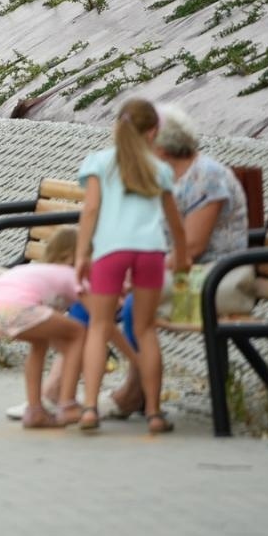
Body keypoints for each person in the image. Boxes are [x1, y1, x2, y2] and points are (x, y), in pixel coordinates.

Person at [105, 105, 253, 417]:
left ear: (157, 142)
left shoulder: (207, 177)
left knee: (133, 300)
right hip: (185, 274)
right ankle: (57, 393)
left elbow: (192, 248)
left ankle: (134, 391)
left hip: (212, 277)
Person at [73, 98, 187, 435]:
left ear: (118, 125)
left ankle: (91, 409)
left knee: (99, 325)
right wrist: (181, 254)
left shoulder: (99, 163)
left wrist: (82, 254)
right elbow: (174, 220)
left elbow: (90, 210)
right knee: (145, 329)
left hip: (111, 251)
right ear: (153, 132)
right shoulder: (161, 170)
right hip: (150, 251)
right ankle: (153, 413)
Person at [0, 226, 86, 429]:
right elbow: (99, 309)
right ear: (72, 257)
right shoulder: (68, 274)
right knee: (79, 332)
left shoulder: (39, 272)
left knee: (40, 343)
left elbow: (55, 330)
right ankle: (68, 404)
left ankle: (35, 411)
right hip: (16, 307)